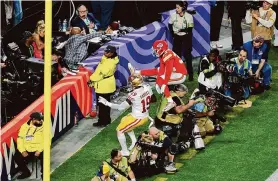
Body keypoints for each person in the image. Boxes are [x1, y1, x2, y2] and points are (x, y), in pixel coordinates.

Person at [98, 73, 155, 156]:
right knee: (124, 120)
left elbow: (120, 107)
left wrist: (107, 103)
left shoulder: (133, 95)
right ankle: (134, 141)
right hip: (141, 114)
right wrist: (139, 102)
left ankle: (125, 151)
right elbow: (154, 99)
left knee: (120, 130)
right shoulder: (147, 87)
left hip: (138, 118)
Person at [128, 40, 188, 112]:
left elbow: (168, 72)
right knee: (158, 72)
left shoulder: (167, 56)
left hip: (180, 75)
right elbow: (162, 70)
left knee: (162, 81)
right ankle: (137, 72)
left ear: (160, 49)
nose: (154, 51)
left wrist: (163, 83)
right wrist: (158, 82)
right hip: (175, 72)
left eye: (155, 49)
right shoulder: (164, 54)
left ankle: (170, 101)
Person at [88, 45, 119, 127]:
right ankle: (106, 120)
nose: (105, 53)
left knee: (102, 106)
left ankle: (103, 121)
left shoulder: (109, 63)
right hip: (105, 84)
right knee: (105, 104)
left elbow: (101, 75)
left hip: (104, 86)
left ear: (112, 53)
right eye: (105, 51)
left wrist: (91, 79)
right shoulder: (107, 58)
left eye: (107, 52)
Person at [13, 112, 44, 179]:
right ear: (33, 119)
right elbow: (20, 139)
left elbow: (46, 140)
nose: (41, 121)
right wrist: (23, 151)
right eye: (39, 120)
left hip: (38, 149)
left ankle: (44, 174)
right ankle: (26, 172)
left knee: (45, 156)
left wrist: (39, 150)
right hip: (27, 148)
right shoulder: (24, 127)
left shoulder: (44, 127)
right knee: (16, 157)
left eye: (41, 119)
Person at [168, 1, 194, 81]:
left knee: (187, 56)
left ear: (183, 7)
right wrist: (173, 34)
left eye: (178, 7)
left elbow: (190, 29)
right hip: (177, 37)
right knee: (176, 56)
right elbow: (170, 25)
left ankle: (191, 75)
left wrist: (181, 30)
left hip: (186, 37)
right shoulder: (173, 16)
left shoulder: (189, 16)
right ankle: (178, 74)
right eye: (176, 7)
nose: (176, 9)